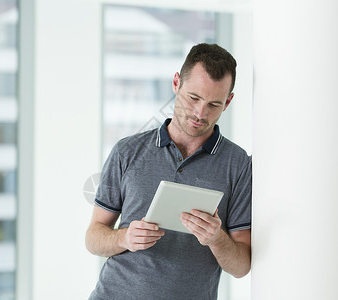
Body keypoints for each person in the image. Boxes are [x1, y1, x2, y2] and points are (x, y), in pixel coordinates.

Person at [86, 43, 252, 300]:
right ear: (176, 83)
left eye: (213, 104)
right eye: (194, 98)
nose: (200, 113)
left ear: (228, 102)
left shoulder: (239, 165)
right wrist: (124, 239)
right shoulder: (127, 151)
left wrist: (216, 238)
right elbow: (94, 236)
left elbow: (242, 265)